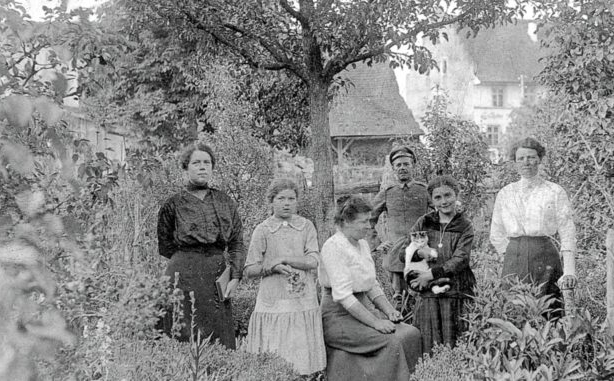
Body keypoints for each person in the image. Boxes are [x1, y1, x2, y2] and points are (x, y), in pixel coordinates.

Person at [320, 195, 422, 381]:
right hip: (338, 318)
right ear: (345, 222)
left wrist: (390, 311)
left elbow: (371, 284)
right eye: (364, 221)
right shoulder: (333, 247)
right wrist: (376, 323)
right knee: (392, 341)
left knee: (411, 333)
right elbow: (344, 297)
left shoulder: (362, 244)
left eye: (369, 220)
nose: (370, 226)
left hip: (364, 311)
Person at [156, 143, 245, 347]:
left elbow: (237, 242)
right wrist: (189, 260)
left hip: (216, 275)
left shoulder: (225, 202)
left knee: (218, 337)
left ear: (213, 167)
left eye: (207, 162)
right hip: (183, 275)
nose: (202, 167)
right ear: (186, 167)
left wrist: (235, 277)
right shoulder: (173, 204)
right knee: (182, 335)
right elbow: (165, 245)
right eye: (196, 163)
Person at [242, 178, 325, 375]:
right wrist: (272, 267)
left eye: (291, 198)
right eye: (281, 198)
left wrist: (286, 258)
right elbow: (250, 270)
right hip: (273, 300)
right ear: (271, 202)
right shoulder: (263, 230)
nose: (286, 203)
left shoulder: (306, 227)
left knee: (302, 356)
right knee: (276, 354)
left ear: (297, 201)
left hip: (302, 299)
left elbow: (313, 260)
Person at [490, 137, 578, 316]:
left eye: (531, 157)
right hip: (514, 257)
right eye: (521, 158)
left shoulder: (554, 191)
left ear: (539, 159)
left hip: (544, 255)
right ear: (515, 162)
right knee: (513, 309)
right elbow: (496, 232)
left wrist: (569, 270)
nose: (526, 163)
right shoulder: (506, 193)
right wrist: (510, 254)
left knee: (547, 309)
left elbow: (567, 230)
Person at [405, 176, 476, 354]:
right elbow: (403, 252)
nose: (444, 201)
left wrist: (429, 275)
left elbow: (460, 260)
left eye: (448, 195)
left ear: (456, 195)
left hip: (456, 290)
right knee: (429, 341)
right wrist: (420, 253)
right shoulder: (424, 222)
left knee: (456, 341)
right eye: (438, 197)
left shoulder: (464, 225)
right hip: (428, 291)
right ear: (431, 200)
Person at [370, 145, 431, 306]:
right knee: (398, 298)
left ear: (413, 166)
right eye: (398, 165)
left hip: (420, 251)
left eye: (406, 164)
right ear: (393, 169)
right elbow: (369, 219)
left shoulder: (424, 191)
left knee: (422, 295)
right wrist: (378, 244)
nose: (402, 168)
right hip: (395, 252)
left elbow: (441, 215)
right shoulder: (388, 193)